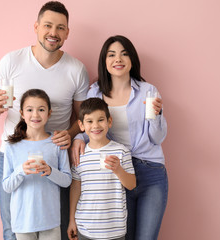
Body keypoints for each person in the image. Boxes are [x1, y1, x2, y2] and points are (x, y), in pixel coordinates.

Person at [0, 2, 89, 239]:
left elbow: (82, 118)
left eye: (60, 28)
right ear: (36, 27)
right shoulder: (12, 61)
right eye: (48, 25)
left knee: (55, 226)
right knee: (12, 228)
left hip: (55, 156)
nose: (53, 33)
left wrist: (71, 135)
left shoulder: (76, 70)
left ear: (67, 33)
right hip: (13, 154)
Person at [71, 35, 168, 240]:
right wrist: (79, 137)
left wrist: (157, 116)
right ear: (104, 61)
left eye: (124, 54)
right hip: (114, 174)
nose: (118, 59)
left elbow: (157, 138)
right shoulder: (95, 93)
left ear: (132, 60)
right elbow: (91, 126)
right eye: (112, 54)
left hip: (150, 170)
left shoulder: (148, 91)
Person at [3, 89, 72, 240]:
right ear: (22, 113)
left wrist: (50, 171)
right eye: (29, 110)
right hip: (23, 222)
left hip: (50, 221)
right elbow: (7, 186)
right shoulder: (12, 146)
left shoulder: (56, 143)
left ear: (49, 113)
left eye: (41, 110)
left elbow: (67, 181)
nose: (35, 115)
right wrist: (21, 170)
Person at [67, 98, 136, 240]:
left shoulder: (121, 151)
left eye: (100, 120)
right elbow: (75, 187)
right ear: (81, 125)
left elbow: (131, 185)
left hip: (115, 231)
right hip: (85, 229)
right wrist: (71, 220)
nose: (95, 125)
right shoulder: (80, 155)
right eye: (89, 121)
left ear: (109, 122)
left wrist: (118, 170)